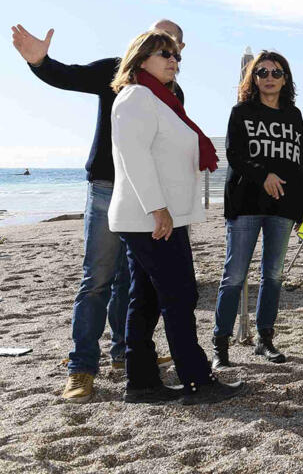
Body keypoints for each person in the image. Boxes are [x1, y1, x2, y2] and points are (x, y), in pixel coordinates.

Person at [10, 19, 185, 403]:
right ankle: (81, 368)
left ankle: (124, 353)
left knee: (132, 281)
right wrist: (40, 62)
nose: (170, 52)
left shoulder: (175, 92)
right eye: (162, 44)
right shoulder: (114, 71)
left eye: (175, 48)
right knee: (98, 280)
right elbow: (65, 75)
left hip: (146, 196)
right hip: (106, 188)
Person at [109, 29, 243, 404]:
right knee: (179, 295)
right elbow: (135, 158)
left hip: (156, 217)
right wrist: (158, 208)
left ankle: (142, 382)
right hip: (151, 218)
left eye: (175, 55)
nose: (173, 60)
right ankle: (196, 380)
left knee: (147, 300)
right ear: (139, 59)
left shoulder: (160, 99)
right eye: (163, 53)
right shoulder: (136, 97)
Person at [212, 51, 303, 369]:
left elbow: (299, 165)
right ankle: (220, 345)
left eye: (276, 72)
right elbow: (234, 154)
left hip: (282, 209)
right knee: (234, 276)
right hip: (245, 206)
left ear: (285, 78)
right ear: (253, 78)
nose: (269, 77)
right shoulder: (241, 112)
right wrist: (262, 175)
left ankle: (264, 340)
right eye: (262, 72)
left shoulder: (293, 115)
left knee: (274, 275)